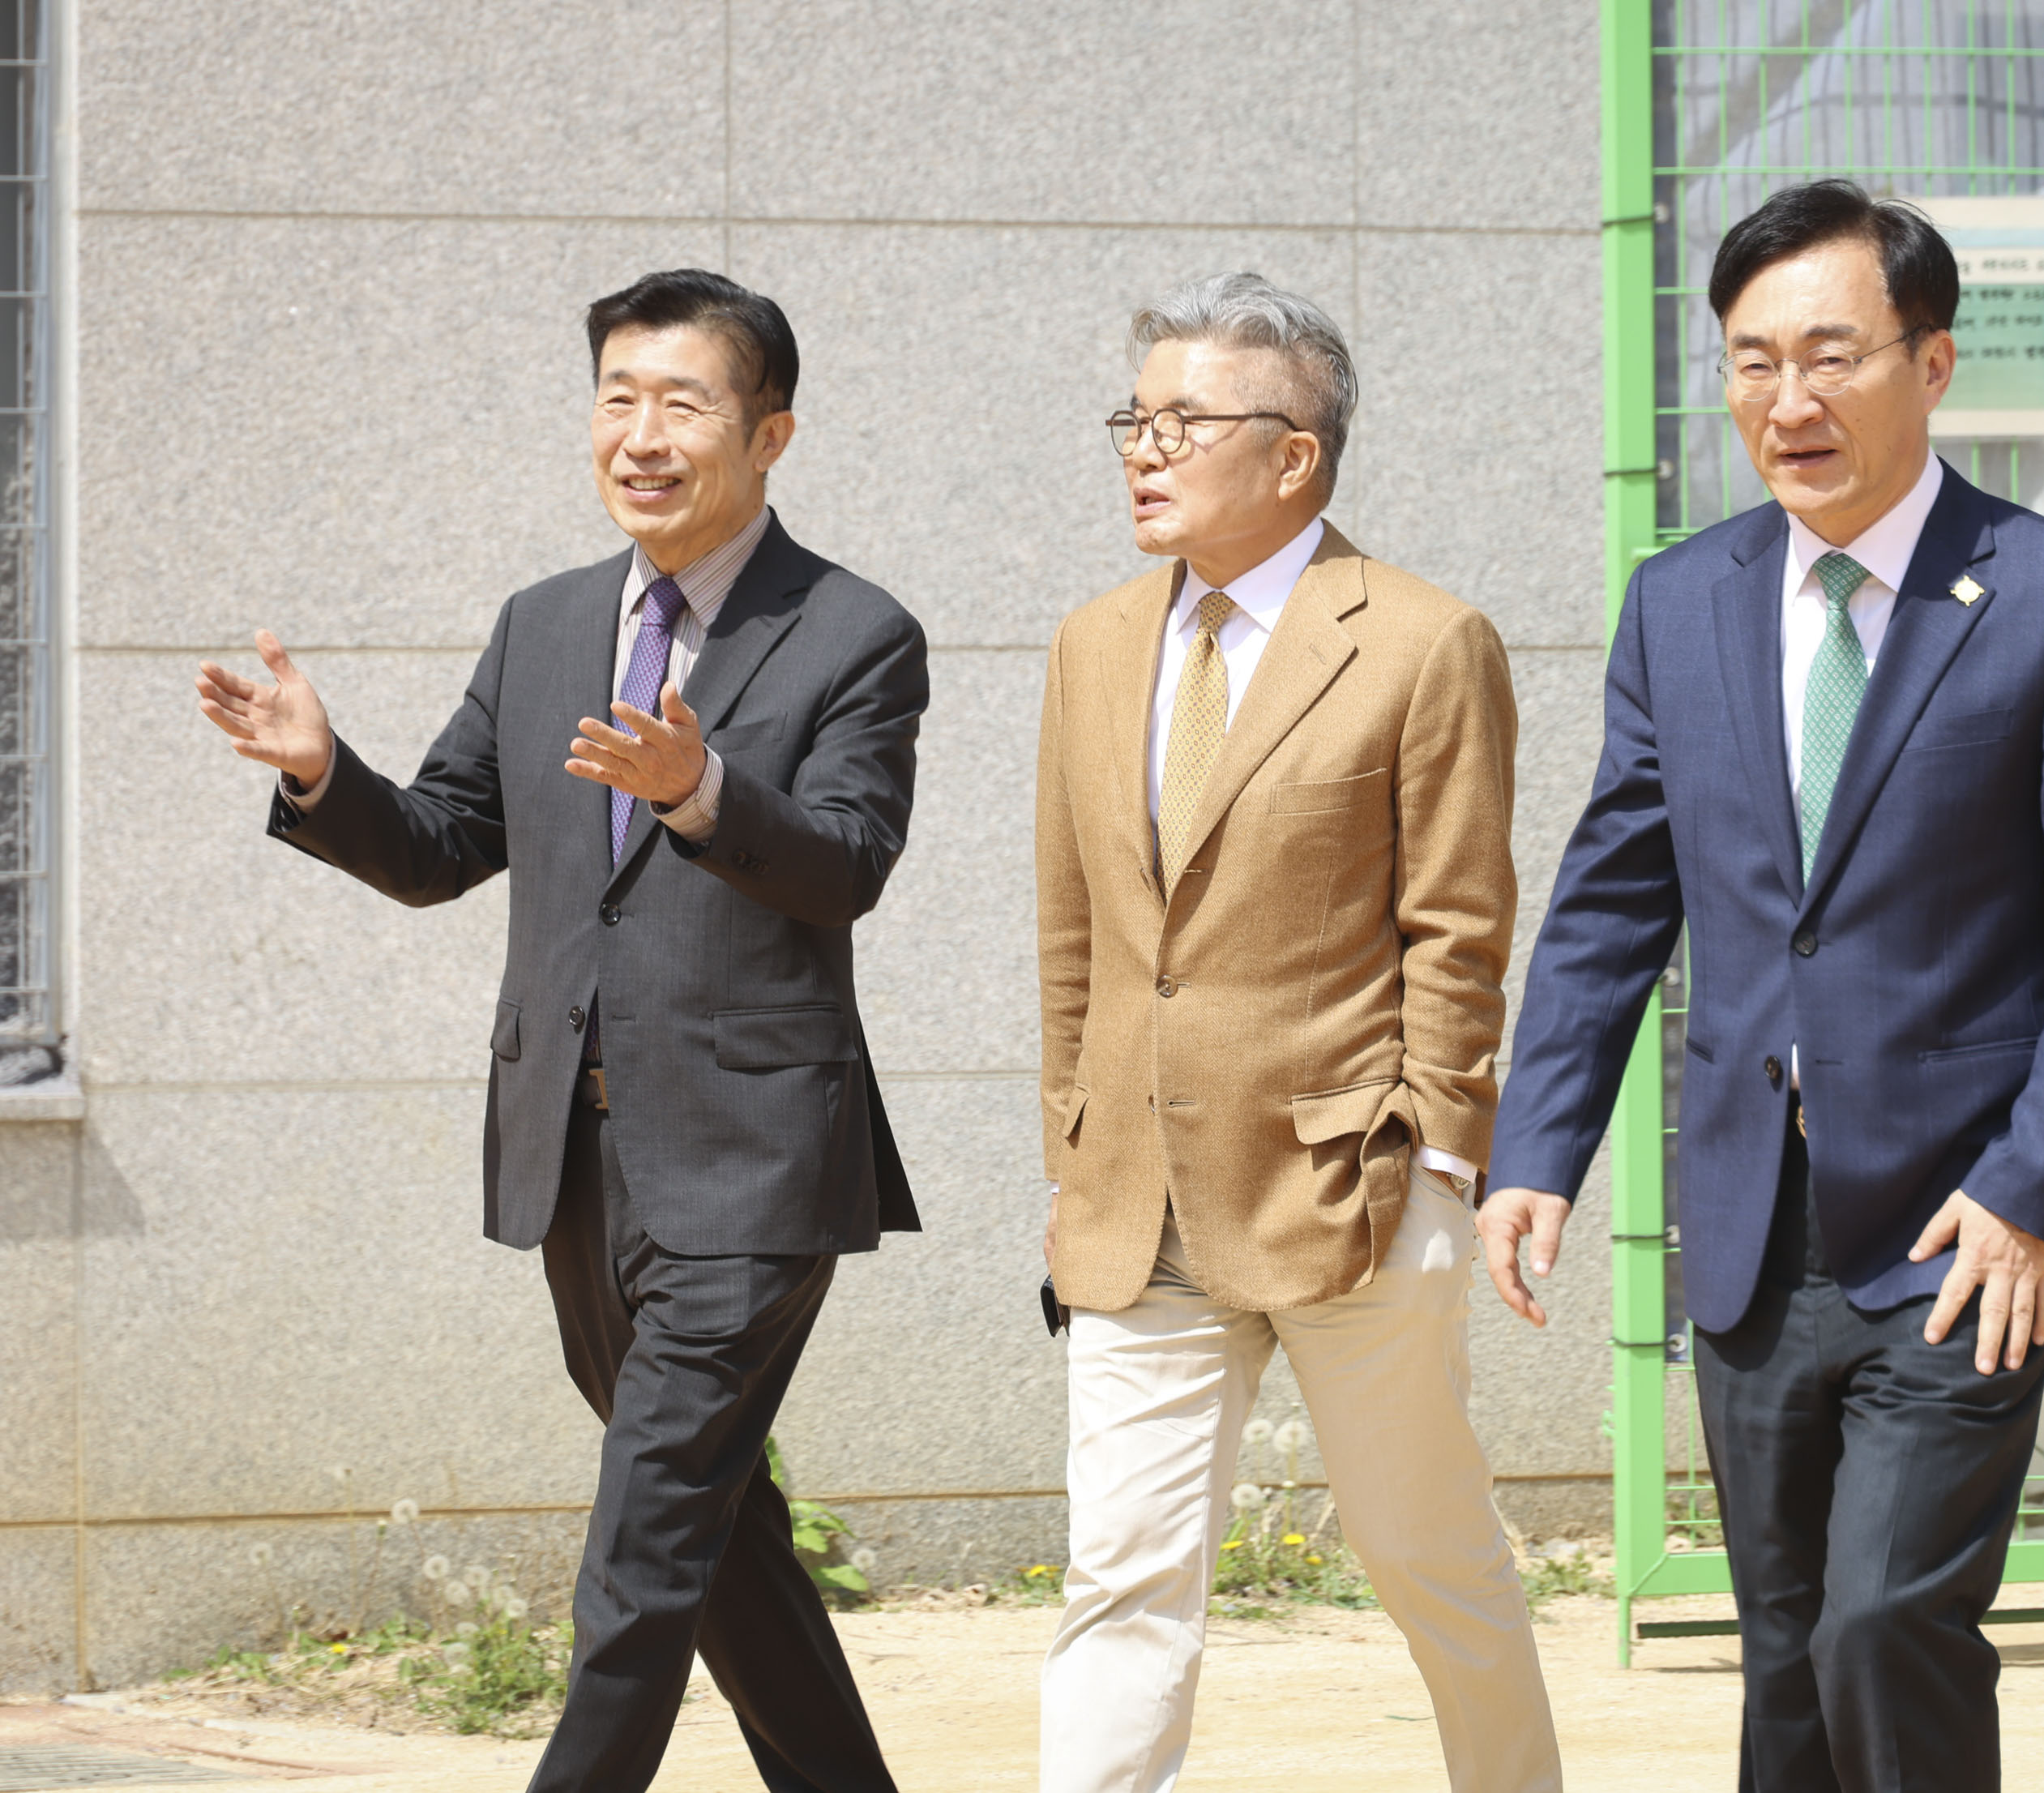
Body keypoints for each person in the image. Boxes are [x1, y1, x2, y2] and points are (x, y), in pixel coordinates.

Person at [190, 269, 926, 1793]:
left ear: (769, 431)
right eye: (617, 398)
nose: (641, 435)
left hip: (753, 1165)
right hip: (575, 1161)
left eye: (683, 403)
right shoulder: (547, 625)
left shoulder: (854, 632)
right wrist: (328, 775)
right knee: (715, 1537)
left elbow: (846, 861)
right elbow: (444, 844)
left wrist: (700, 789)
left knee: (641, 1550)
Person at [1482, 180, 2044, 1791]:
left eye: (1832, 354)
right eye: (1751, 360)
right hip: (1749, 1220)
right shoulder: (1685, 597)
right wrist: (1538, 1149)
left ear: (1930, 366)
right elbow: (1612, 899)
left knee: (1886, 1619)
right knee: (1785, 1649)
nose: (1787, 401)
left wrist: (2033, 1189)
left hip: (1965, 1226)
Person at [1033, 272, 1559, 1793]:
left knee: (1429, 1560)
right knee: (1119, 1581)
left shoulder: (1420, 640)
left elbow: (1459, 931)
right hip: (1136, 1204)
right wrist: (1071, 1153)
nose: (1142, 445)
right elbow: (1075, 934)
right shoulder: (1092, 644)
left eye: (1181, 420)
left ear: (1293, 456)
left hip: (1352, 1192)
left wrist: (1438, 1170)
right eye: (1134, 416)